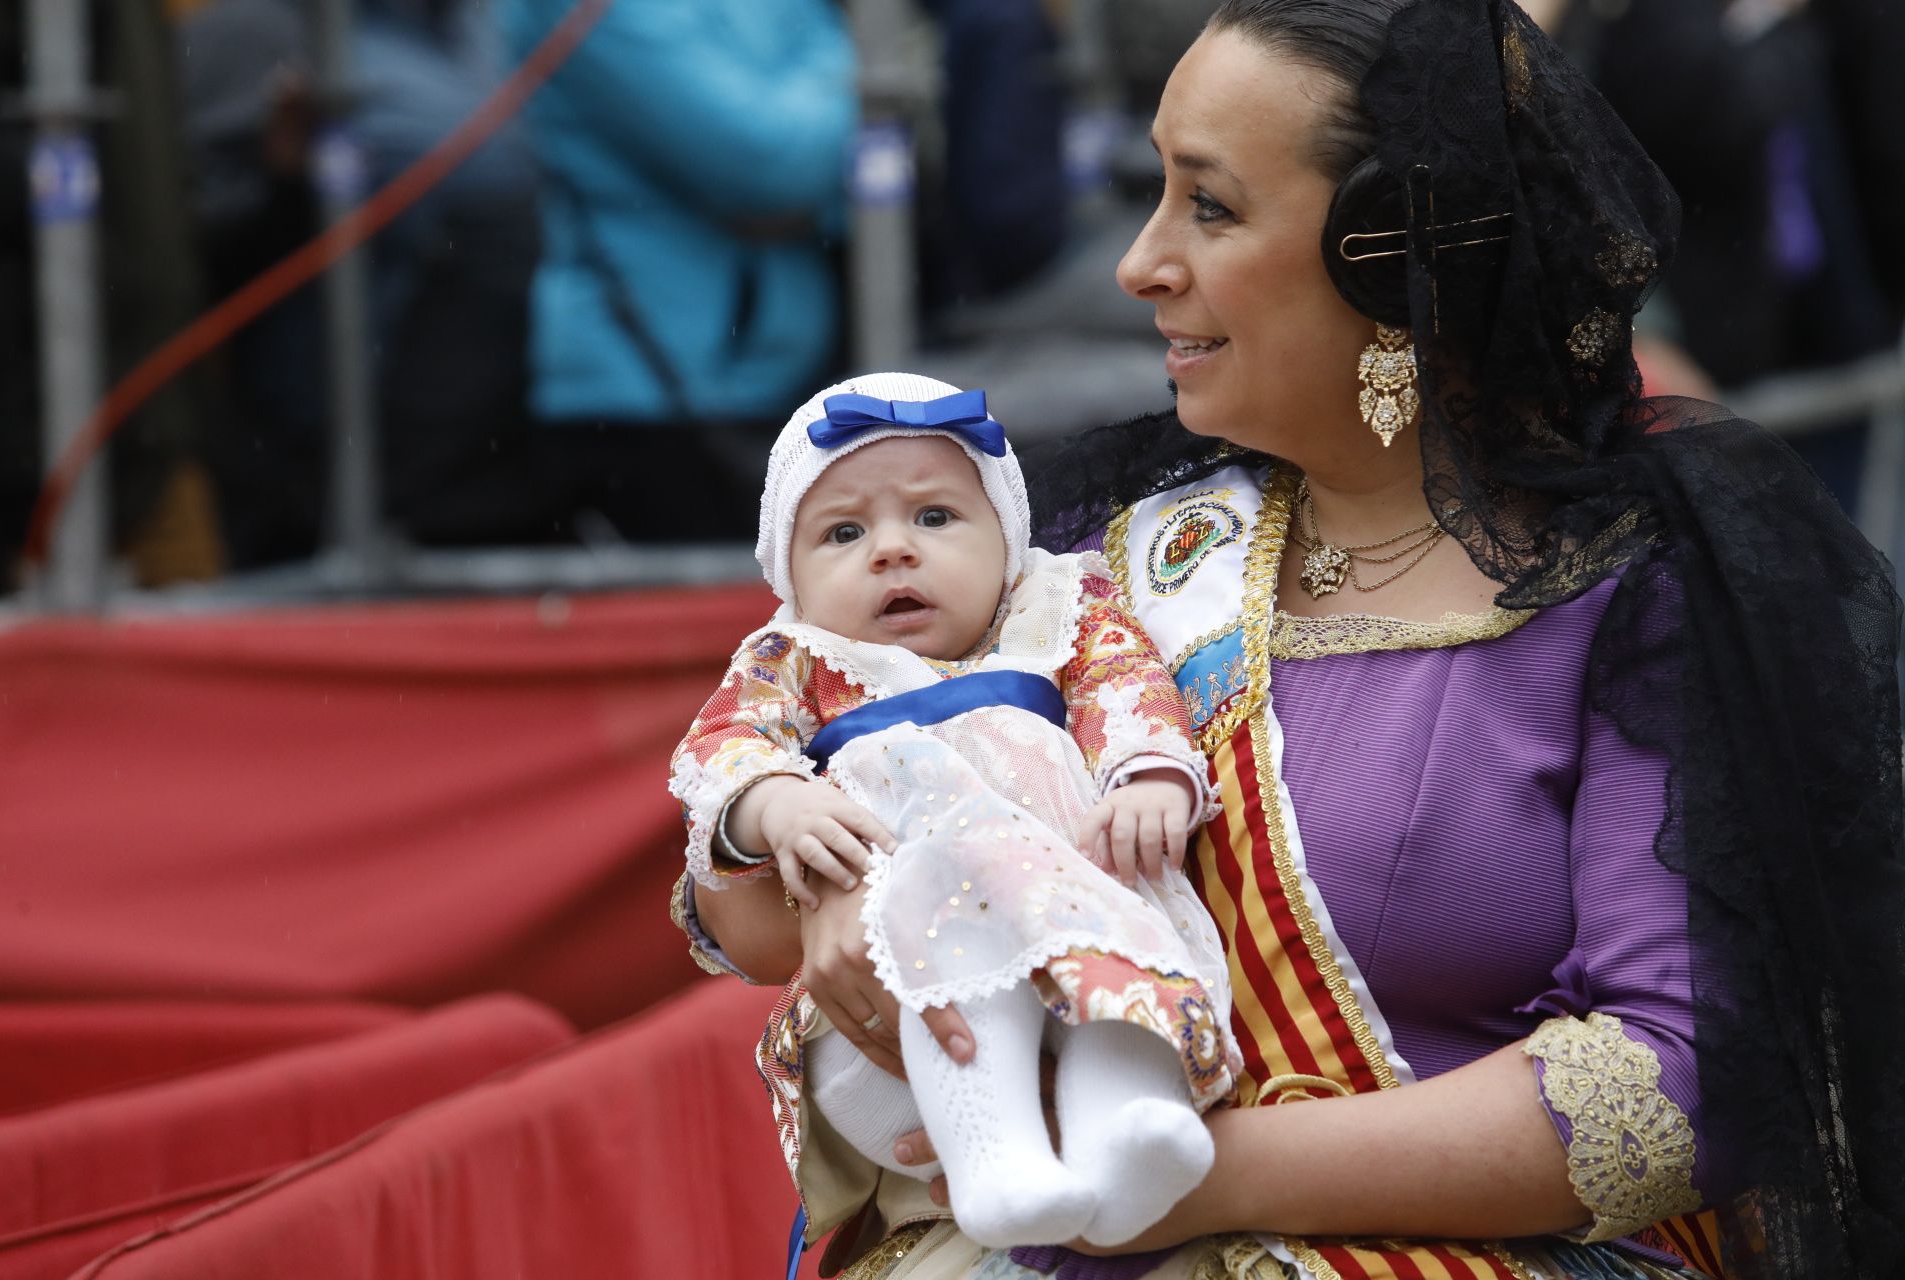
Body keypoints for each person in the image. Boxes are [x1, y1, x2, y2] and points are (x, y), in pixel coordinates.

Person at [676, 3, 1905, 1277]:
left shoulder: (1628, 596)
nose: (1139, 262)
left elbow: (1667, 1088)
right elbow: (747, 902)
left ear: (1395, 253)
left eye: (1209, 207)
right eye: (1156, 194)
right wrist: (838, 889)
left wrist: (1193, 1179)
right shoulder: (1108, 552)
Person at [671, 371, 1235, 1249]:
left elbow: (1125, 684)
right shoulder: (794, 656)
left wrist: (1149, 774)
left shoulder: (1057, 608)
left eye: (935, 517)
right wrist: (776, 802)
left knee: (1114, 950)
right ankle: (994, 1158)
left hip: (1063, 898)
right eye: (844, 532)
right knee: (955, 963)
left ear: (1008, 540)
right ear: (789, 578)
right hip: (895, 984)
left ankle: (1130, 1129)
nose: (893, 551)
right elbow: (719, 750)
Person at [498, 0, 855, 544]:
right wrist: (856, 73)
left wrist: (819, 191)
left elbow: (865, 176)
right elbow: (767, 165)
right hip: (646, 394)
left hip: (770, 383)